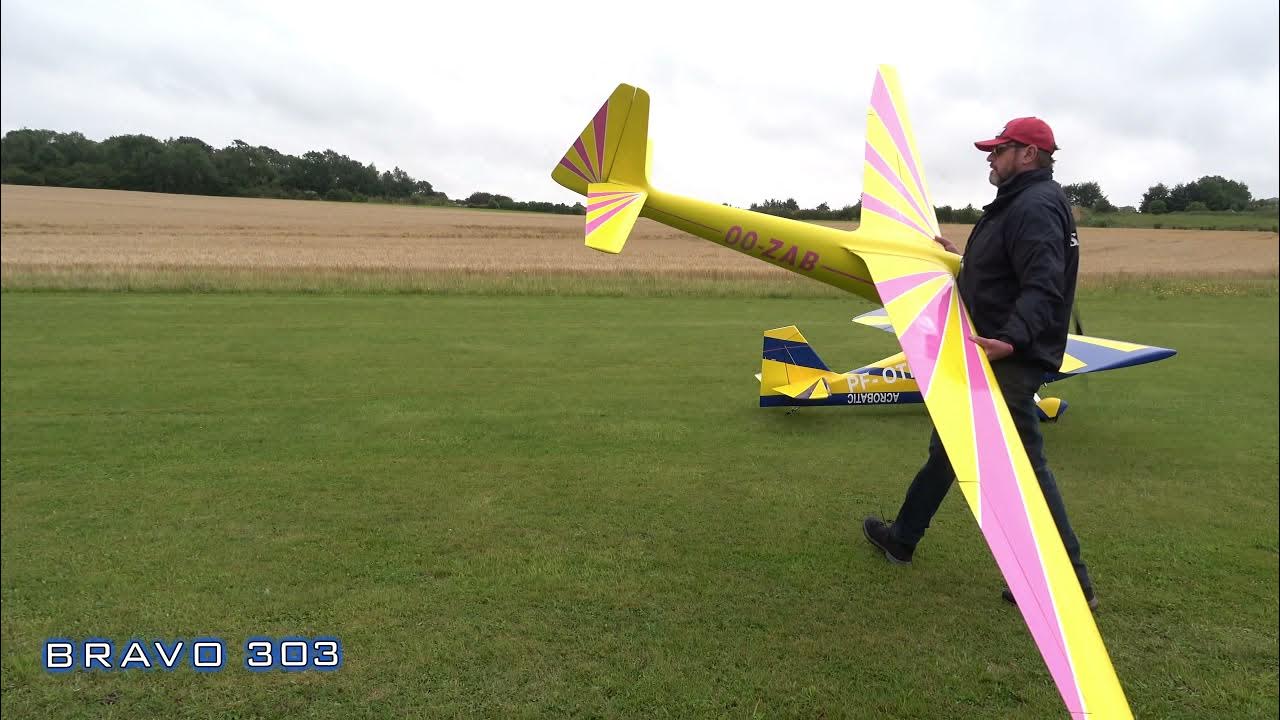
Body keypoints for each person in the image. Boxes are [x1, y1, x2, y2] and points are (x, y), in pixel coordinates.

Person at [861, 116, 1098, 610]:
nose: (990, 157)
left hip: (1007, 358)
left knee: (1026, 469)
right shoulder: (1024, 202)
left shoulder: (1033, 205)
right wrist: (963, 263)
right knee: (948, 447)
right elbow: (1008, 275)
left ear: (1027, 154)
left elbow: (1042, 284)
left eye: (999, 149)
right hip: (994, 350)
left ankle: (1071, 583)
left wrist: (1010, 341)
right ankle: (902, 538)